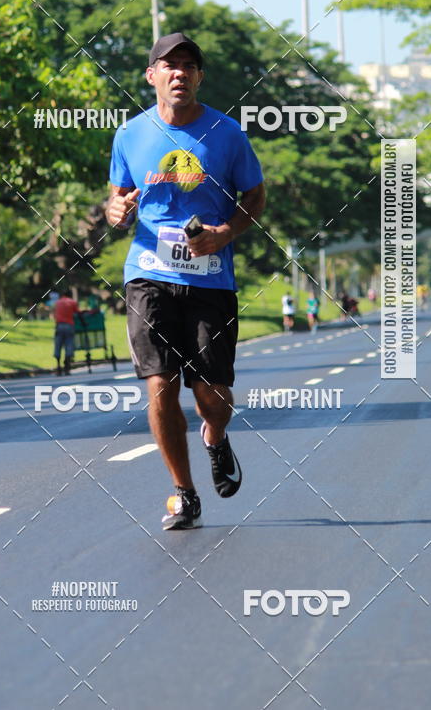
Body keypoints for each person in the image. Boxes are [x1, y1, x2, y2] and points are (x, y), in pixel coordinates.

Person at [106, 32, 265, 530]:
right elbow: (117, 200)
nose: (178, 73)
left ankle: (215, 438)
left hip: (211, 279)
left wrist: (225, 232)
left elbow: (255, 198)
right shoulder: (130, 135)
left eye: (188, 65)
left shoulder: (228, 133)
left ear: (199, 77)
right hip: (147, 275)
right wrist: (115, 211)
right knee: (159, 384)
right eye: (168, 65)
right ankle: (184, 492)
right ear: (151, 75)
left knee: (212, 398)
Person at [52, 289, 79, 375]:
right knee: (69, 344)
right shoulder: (72, 302)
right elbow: (77, 313)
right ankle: (67, 367)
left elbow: (55, 314)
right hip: (69, 325)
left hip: (59, 326)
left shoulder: (57, 303)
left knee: (58, 345)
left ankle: (58, 366)